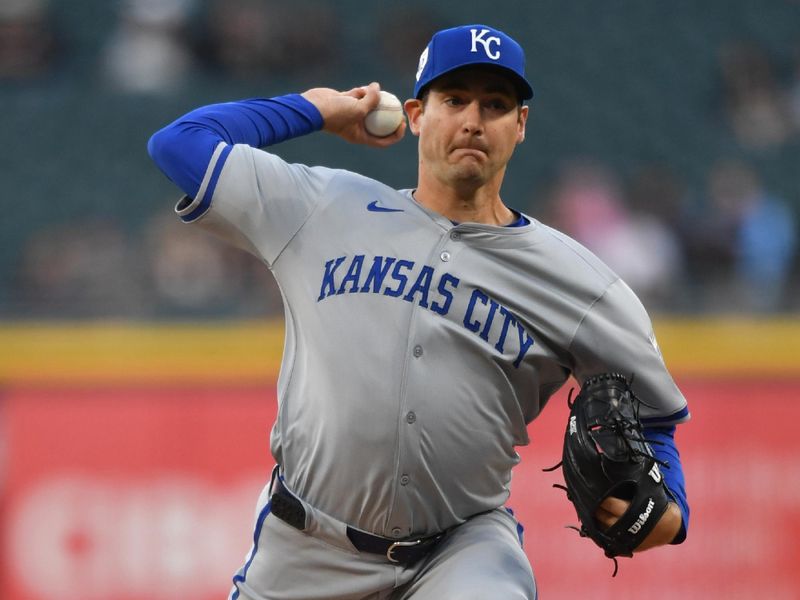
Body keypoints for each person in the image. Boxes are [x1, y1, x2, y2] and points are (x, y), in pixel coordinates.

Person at [148, 24, 689, 600]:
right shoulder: (321, 206)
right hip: (304, 548)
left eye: (496, 104)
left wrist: (670, 510)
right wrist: (314, 109)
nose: (473, 121)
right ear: (414, 114)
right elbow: (179, 144)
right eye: (453, 100)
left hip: (461, 552)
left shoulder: (581, 283)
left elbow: (655, 422)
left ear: (520, 125)